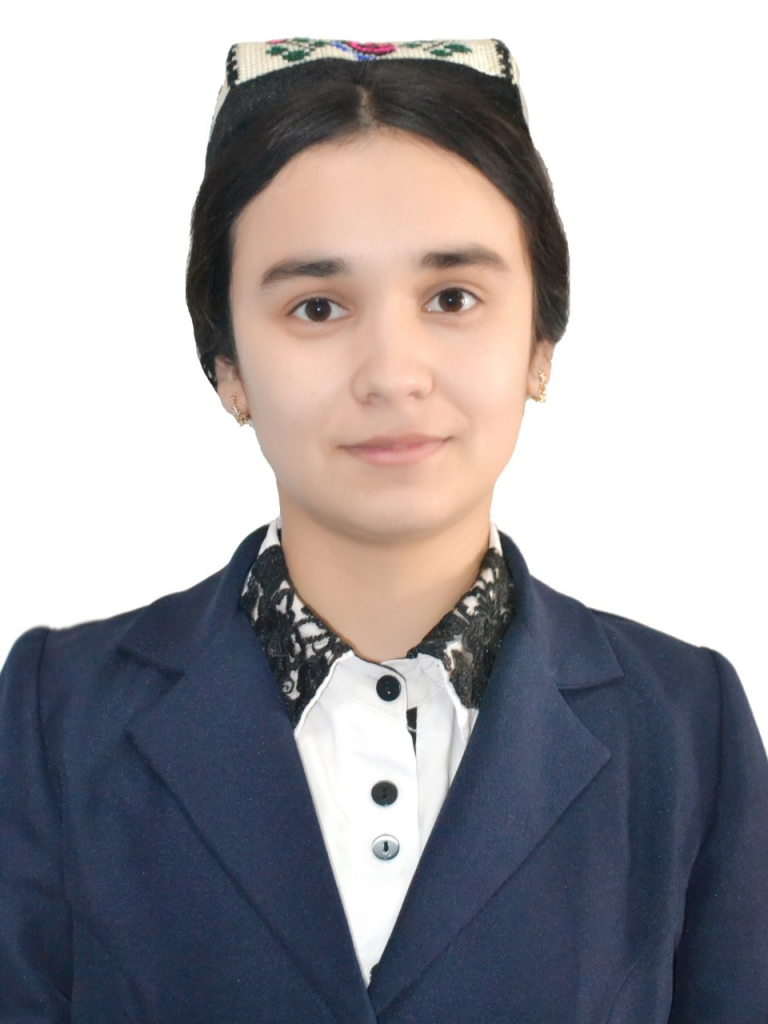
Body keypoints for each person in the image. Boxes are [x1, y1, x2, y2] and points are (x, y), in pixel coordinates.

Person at [1, 36, 766, 1024]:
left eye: (453, 298)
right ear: (227, 363)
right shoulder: (56, 714)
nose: (392, 372)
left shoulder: (685, 727)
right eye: (317, 307)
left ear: (539, 341)